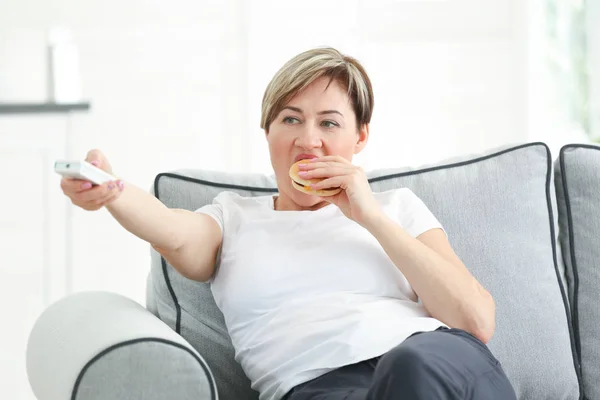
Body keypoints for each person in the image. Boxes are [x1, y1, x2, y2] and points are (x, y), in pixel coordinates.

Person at [61, 47, 517, 400]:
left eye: (330, 123)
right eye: (290, 119)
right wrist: (113, 193)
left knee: (410, 367)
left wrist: (369, 217)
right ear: (268, 133)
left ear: (360, 137)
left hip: (433, 363)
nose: (308, 140)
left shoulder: (395, 207)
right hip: (316, 387)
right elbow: (174, 232)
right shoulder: (233, 218)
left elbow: (475, 319)